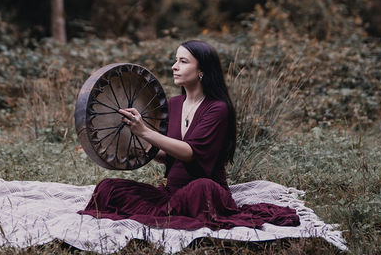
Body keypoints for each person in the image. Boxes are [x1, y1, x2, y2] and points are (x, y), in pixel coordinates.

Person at [78, 40, 300, 231]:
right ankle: (171, 209)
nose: (174, 67)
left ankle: (174, 211)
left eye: (183, 61)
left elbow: (190, 153)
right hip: (171, 193)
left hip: (205, 192)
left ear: (202, 70)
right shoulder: (173, 105)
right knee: (109, 187)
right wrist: (139, 141)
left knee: (201, 188)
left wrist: (145, 130)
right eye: (176, 60)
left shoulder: (218, 109)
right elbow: (168, 154)